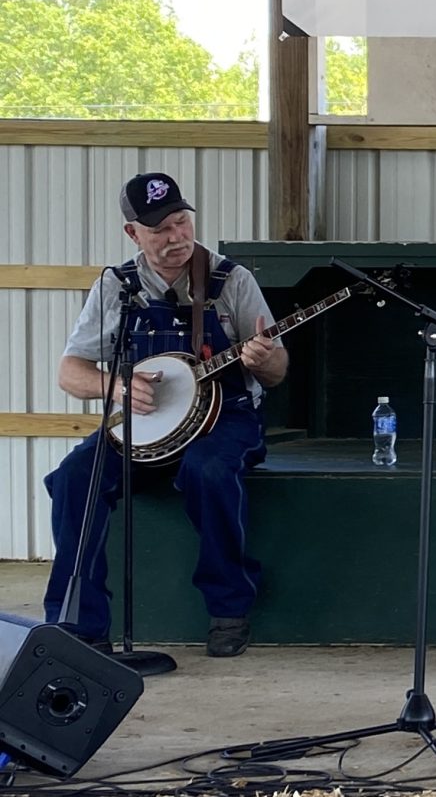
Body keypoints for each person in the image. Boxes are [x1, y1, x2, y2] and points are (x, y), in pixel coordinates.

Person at [43, 172, 284, 658]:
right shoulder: (116, 285)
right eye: (160, 230)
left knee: (209, 469)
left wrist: (264, 359)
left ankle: (229, 608)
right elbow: (71, 372)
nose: (176, 237)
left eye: (181, 222)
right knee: (73, 477)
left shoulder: (230, 280)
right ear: (134, 233)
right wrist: (116, 388)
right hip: (142, 423)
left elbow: (277, 370)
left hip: (226, 418)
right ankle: (80, 626)